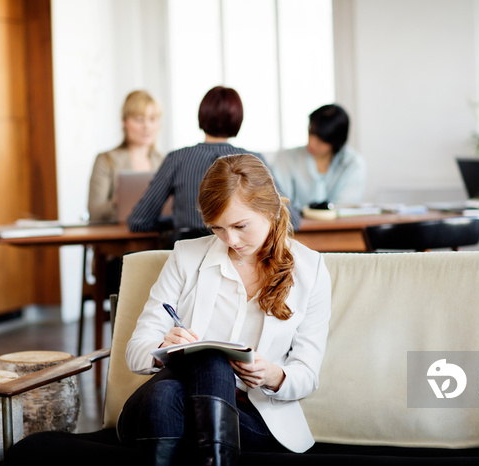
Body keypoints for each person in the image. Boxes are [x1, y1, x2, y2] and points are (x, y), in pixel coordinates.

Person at [117, 154, 332, 465]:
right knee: (202, 368)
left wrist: (271, 373)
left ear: (270, 209)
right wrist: (162, 348)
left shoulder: (310, 270)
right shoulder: (186, 256)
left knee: (190, 380)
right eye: (217, 228)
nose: (230, 240)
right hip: (162, 404)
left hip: (251, 416)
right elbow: (136, 351)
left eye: (240, 225)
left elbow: (307, 375)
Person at [127, 86, 299, 238]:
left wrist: (179, 223)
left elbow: (139, 221)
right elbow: (290, 219)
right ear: (238, 118)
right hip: (238, 259)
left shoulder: (177, 158)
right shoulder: (253, 160)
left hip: (189, 261)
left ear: (202, 115)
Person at [272, 104, 367, 213]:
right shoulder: (286, 159)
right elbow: (280, 204)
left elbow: (344, 207)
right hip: (296, 227)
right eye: (311, 133)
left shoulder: (353, 164)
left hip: (339, 228)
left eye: (321, 140)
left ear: (336, 141)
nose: (312, 143)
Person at [88, 90, 163, 223]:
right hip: (116, 239)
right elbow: (94, 212)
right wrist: (118, 201)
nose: (147, 126)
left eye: (152, 119)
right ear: (125, 122)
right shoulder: (106, 160)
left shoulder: (163, 161)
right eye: (139, 119)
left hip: (155, 237)